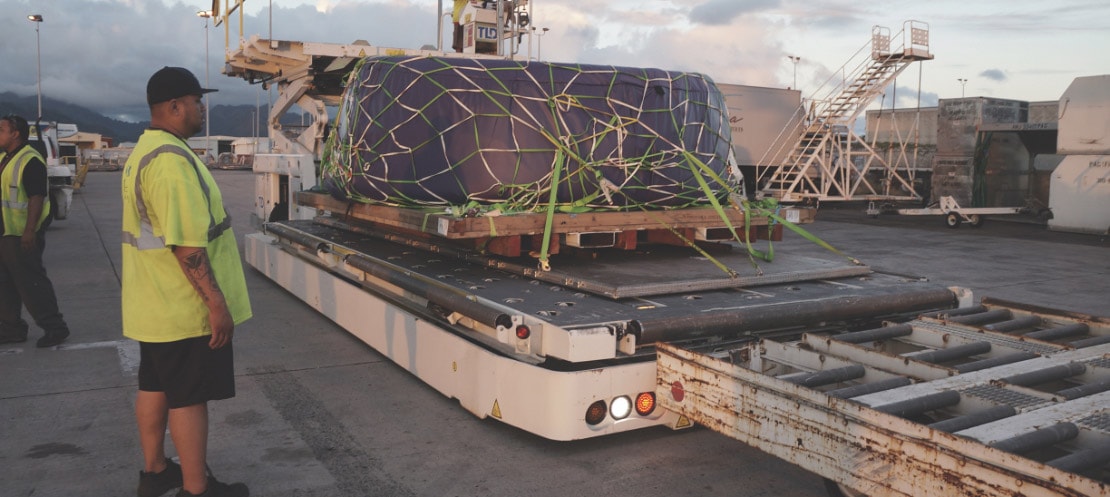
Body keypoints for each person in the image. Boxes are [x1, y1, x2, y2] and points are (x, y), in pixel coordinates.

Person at [122, 67, 252, 497]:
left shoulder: (145, 150)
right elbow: (187, 247)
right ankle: (197, 489)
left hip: (153, 305)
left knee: (154, 386)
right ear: (175, 107)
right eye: (197, 101)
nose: (202, 108)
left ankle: (156, 470)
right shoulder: (172, 163)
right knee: (188, 398)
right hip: (182, 308)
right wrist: (216, 303)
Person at [0, 114, 71, 348]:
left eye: (1, 129)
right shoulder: (5, 157)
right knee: (6, 283)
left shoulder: (30, 159)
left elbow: (36, 197)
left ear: (15, 133)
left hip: (21, 233)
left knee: (31, 282)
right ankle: (11, 328)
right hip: (6, 232)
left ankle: (55, 327)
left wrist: (30, 230)